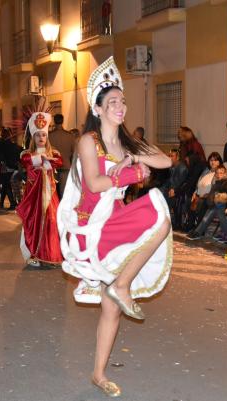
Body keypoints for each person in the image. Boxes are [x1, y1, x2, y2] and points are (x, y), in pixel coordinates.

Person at [57, 57, 172, 398]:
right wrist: (128, 172)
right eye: (113, 102)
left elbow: (165, 161)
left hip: (116, 218)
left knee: (111, 308)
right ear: (98, 107)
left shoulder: (127, 141)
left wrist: (136, 158)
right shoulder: (88, 142)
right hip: (93, 224)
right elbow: (93, 184)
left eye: (122, 101)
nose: (120, 107)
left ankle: (98, 373)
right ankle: (122, 286)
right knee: (160, 215)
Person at [16, 112, 63, 267]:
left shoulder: (54, 153)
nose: (41, 138)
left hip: (50, 195)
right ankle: (33, 254)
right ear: (33, 137)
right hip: (34, 197)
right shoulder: (27, 154)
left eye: (43, 135)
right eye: (37, 135)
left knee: (52, 222)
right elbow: (27, 161)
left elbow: (59, 161)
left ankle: (50, 253)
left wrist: (46, 160)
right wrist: (42, 160)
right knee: (33, 224)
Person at [186, 165, 227, 240]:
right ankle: (198, 232)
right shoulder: (216, 183)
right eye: (217, 173)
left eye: (221, 173)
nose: (219, 175)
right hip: (216, 205)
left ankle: (198, 232)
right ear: (215, 174)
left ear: (225, 173)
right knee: (211, 210)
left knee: (215, 210)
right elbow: (211, 197)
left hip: (226, 207)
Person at [159, 148, 189, 230]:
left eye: (172, 156)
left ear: (178, 157)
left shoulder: (182, 168)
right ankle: (163, 220)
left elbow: (180, 183)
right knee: (159, 192)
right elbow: (168, 181)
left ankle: (166, 222)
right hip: (170, 189)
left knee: (166, 197)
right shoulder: (171, 167)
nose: (170, 158)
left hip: (179, 192)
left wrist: (173, 189)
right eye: (169, 156)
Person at [50, 114, 76, 199]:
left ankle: (54, 211)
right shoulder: (69, 136)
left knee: (53, 192)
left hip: (52, 167)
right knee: (64, 193)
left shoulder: (49, 136)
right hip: (66, 166)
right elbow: (74, 153)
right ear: (62, 121)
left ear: (54, 121)